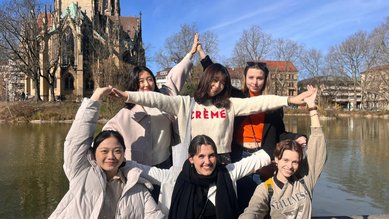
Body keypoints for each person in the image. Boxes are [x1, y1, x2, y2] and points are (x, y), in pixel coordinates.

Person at [112, 66, 315, 165]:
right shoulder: (185, 103)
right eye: (214, 80)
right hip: (193, 162)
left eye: (222, 83)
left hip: (223, 162)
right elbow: (157, 99)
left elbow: (258, 103)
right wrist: (127, 95)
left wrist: (289, 100)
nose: (216, 86)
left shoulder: (229, 105)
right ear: (206, 79)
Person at [198, 47, 307, 212]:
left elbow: (280, 134)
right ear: (245, 78)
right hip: (238, 154)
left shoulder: (273, 104)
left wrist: (299, 136)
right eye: (251, 77)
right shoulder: (236, 98)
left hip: (262, 157)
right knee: (239, 199)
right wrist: (202, 55)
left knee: (261, 201)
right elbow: (216, 77)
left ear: (265, 80)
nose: (255, 82)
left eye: (259, 78)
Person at [49, 86, 164, 219]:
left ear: (123, 153)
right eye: (104, 151)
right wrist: (95, 98)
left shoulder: (136, 185)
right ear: (93, 153)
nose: (111, 156)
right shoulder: (82, 173)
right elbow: (76, 142)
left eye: (117, 151)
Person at [102, 33, 200, 168]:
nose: (146, 84)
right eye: (141, 81)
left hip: (165, 162)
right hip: (139, 168)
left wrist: (190, 53)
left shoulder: (165, 97)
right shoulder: (127, 112)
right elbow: (107, 132)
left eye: (149, 79)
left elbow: (174, 76)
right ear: (134, 84)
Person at [130, 134, 273, 218]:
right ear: (191, 158)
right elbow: (143, 170)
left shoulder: (227, 174)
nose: (207, 162)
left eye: (211, 156)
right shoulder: (174, 176)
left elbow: (257, 159)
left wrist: (287, 147)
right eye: (201, 156)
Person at [239, 85, 326, 219]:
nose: (290, 166)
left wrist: (312, 108)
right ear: (276, 159)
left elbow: (318, 144)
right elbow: (253, 212)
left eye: (295, 162)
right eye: (285, 160)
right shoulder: (265, 189)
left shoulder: (306, 179)